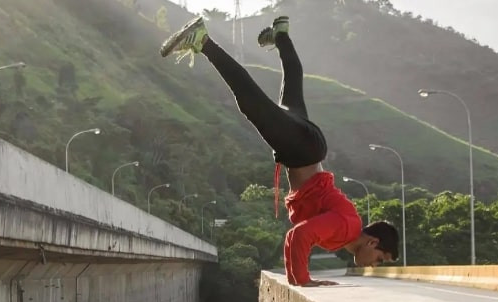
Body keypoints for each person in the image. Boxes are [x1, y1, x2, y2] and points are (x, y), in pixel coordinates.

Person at [160, 15, 399, 286]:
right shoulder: (346, 228)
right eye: (380, 258)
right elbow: (298, 236)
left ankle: (281, 34)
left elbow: (298, 236)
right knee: (250, 102)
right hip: (301, 150)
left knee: (292, 86)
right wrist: (304, 281)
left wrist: (298, 278)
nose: (374, 265)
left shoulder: (345, 235)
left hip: (307, 146)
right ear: (373, 241)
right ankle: (203, 40)